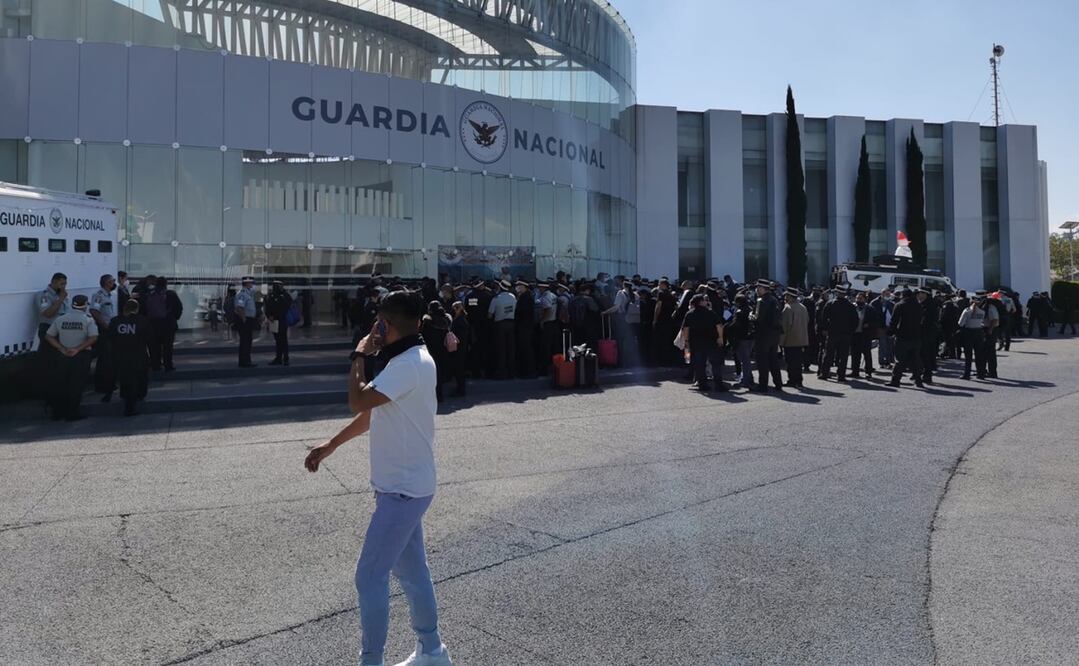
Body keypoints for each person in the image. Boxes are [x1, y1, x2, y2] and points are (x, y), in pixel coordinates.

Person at [304, 290, 453, 666]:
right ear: (418, 324)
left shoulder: (406, 364)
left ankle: (371, 661)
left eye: (379, 321)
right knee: (413, 572)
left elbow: (358, 400)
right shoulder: (410, 358)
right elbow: (373, 412)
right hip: (409, 487)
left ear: (385, 325)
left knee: (369, 577)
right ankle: (432, 651)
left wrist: (359, 355)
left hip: (402, 491)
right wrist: (333, 444)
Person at [44, 294, 98, 421]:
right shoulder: (88, 319)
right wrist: (78, 349)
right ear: (85, 305)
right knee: (76, 385)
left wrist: (61, 348)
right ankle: (71, 413)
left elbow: (49, 336)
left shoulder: (61, 319)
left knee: (61, 384)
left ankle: (57, 412)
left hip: (63, 355)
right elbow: (93, 338)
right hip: (81, 355)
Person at [109, 299, 152, 416]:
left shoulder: (115, 321)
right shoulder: (142, 321)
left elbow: (110, 338)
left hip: (120, 355)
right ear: (136, 309)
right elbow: (149, 338)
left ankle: (126, 398)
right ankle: (134, 402)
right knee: (138, 378)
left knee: (125, 379)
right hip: (138, 355)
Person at [680, 294, 727, 392]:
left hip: (696, 343)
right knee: (715, 363)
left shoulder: (690, 314)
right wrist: (720, 338)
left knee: (700, 365)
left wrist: (687, 341)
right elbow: (719, 326)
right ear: (701, 302)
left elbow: (685, 329)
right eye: (704, 300)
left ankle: (702, 385)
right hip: (711, 342)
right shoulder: (710, 313)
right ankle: (718, 385)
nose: (706, 302)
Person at [750, 280, 783, 392]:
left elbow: (757, 318)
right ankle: (778, 383)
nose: (757, 290)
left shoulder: (761, 301)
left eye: (758, 288)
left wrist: (751, 315)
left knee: (762, 361)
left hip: (763, 334)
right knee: (773, 359)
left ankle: (763, 385)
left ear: (762, 288)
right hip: (775, 334)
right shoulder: (775, 299)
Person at [143, 276, 182, 372]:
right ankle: (168, 365)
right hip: (168, 324)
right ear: (166, 284)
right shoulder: (171, 294)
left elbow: (144, 309)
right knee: (168, 346)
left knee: (154, 346)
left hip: (153, 324)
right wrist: (174, 318)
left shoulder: (149, 294)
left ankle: (156, 365)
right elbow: (179, 308)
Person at [89, 274, 118, 402]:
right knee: (105, 358)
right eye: (112, 281)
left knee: (110, 358)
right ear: (107, 282)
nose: (114, 283)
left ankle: (109, 383)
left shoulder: (109, 296)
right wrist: (105, 326)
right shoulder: (99, 296)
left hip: (110, 328)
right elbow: (94, 311)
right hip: (104, 330)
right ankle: (102, 385)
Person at [888, 288, 924, 388]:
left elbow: (894, 321)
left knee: (899, 360)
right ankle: (918, 381)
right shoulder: (918, 306)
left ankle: (895, 381)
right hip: (916, 336)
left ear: (903, 295)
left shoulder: (900, 305)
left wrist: (891, 332)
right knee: (915, 360)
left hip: (902, 336)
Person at [820, 287, 858, 382]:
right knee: (843, 356)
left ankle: (824, 373)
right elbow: (855, 321)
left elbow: (824, 318)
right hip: (846, 334)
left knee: (829, 354)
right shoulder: (850, 306)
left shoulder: (830, 304)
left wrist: (825, 329)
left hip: (833, 333)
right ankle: (841, 375)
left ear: (837, 293)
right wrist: (851, 331)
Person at [421, 301, 454, 403]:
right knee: (440, 373)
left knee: (432, 374)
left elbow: (423, 335)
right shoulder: (446, 319)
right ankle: (440, 395)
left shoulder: (427, 321)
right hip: (444, 349)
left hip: (431, 350)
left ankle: (433, 395)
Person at [780, 287, 809, 389]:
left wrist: (781, 342)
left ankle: (792, 380)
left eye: (786, 296)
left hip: (790, 339)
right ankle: (798, 381)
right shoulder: (803, 307)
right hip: (801, 338)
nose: (785, 297)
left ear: (790, 297)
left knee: (790, 362)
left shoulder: (788, 308)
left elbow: (784, 326)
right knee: (798, 361)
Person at [488, 280, 516, 379]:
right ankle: (512, 372)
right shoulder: (513, 297)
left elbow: (490, 314)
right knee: (511, 349)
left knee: (501, 349)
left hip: (500, 325)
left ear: (500, 287)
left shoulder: (496, 299)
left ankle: (502, 373)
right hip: (511, 324)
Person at [727, 292, 755, 388]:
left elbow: (735, 325)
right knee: (747, 359)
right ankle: (749, 377)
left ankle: (746, 380)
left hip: (742, 338)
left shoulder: (739, 312)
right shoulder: (750, 309)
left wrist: (727, 327)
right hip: (751, 337)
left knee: (744, 360)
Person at [849, 290, 878, 379]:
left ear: (865, 300)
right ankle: (855, 371)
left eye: (860, 298)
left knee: (867, 354)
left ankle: (868, 372)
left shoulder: (870, 309)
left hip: (865, 334)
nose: (858, 300)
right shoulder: (852, 308)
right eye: (857, 298)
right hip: (855, 334)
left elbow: (876, 321)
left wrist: (869, 325)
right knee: (855, 354)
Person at [956, 298, 987, 380]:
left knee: (968, 356)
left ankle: (967, 374)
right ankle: (981, 373)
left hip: (968, 333)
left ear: (970, 302)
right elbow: (982, 323)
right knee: (979, 355)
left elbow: (960, 323)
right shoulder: (982, 312)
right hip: (979, 333)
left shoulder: (967, 311)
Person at [265, 281, 294, 366]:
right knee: (278, 340)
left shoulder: (285, 295)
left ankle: (285, 358)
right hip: (273, 321)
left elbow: (287, 306)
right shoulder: (271, 295)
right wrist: (269, 315)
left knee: (283, 340)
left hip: (281, 320)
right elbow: (268, 306)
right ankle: (278, 358)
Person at [37, 272, 69, 349]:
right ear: (54, 282)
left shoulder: (61, 293)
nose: (63, 287)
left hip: (62, 329)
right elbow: (48, 314)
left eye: (65, 284)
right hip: (49, 328)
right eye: (61, 284)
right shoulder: (45, 295)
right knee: (48, 355)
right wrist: (61, 299)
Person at [916, 289, 940, 384]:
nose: (919, 295)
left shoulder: (929, 305)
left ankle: (927, 375)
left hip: (927, 333)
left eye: (921, 293)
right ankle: (923, 373)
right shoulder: (924, 303)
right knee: (924, 355)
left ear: (926, 294)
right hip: (927, 333)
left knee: (926, 355)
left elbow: (926, 320)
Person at [513, 281, 536, 378]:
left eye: (519, 286)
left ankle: (527, 372)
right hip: (526, 326)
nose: (517, 288)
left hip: (524, 326)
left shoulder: (525, 297)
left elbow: (522, 313)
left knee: (525, 349)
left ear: (524, 287)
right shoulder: (525, 296)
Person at [235, 276, 258, 367]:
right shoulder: (242, 294)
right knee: (245, 341)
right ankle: (244, 362)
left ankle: (246, 360)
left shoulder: (248, 293)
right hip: (245, 320)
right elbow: (239, 307)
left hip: (248, 319)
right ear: (247, 283)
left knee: (247, 341)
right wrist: (244, 318)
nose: (252, 285)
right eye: (251, 283)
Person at [449, 301, 469, 397]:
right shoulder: (461, 318)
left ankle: (461, 389)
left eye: (456, 308)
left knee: (459, 368)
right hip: (461, 346)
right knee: (459, 368)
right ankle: (460, 388)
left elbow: (459, 334)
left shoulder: (460, 320)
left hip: (459, 347)